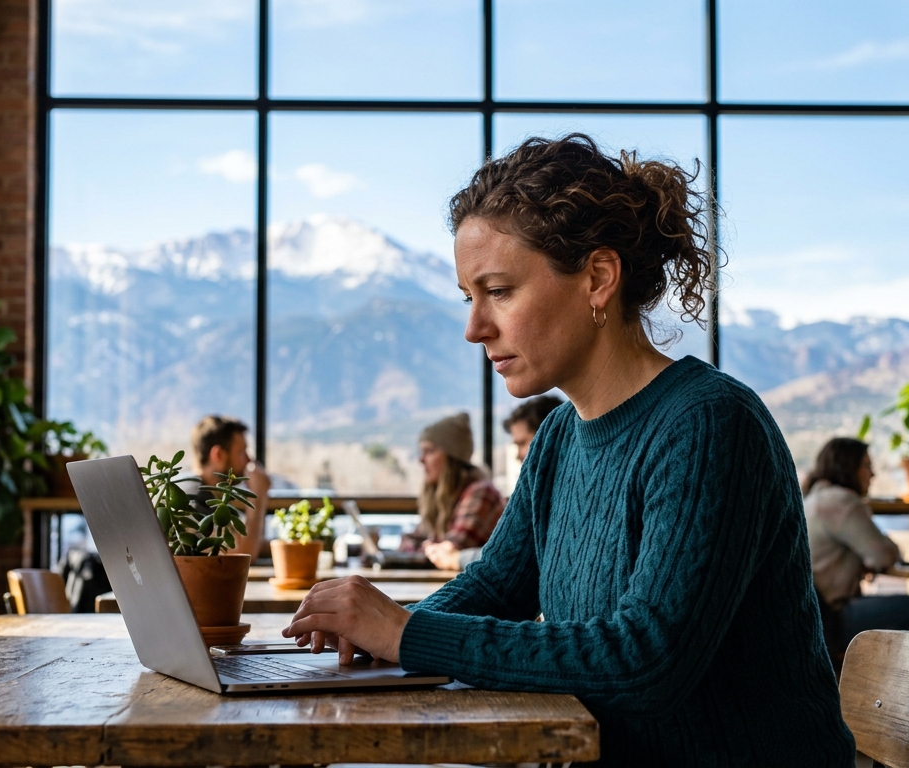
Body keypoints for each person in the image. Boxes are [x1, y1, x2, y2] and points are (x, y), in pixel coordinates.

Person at [282, 134, 855, 766]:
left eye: (498, 291)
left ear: (598, 279)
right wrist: (375, 631)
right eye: (468, 297)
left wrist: (407, 633)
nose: (474, 328)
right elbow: (495, 586)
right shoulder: (558, 438)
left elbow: (646, 660)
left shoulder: (710, 424)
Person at [803, 437, 909, 657]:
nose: (873, 474)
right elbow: (884, 555)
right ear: (849, 467)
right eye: (867, 466)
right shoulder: (841, 501)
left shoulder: (813, 498)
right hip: (828, 620)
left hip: (808, 616)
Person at [424, 397, 561, 570]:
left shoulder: (481, 493)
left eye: (522, 443)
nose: (517, 455)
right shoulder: (538, 495)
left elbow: (511, 553)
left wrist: (457, 558)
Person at [408, 413, 505, 572]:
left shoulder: (481, 493)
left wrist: (425, 548)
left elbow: (453, 548)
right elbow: (414, 540)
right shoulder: (442, 497)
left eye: (429, 451)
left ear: (452, 457)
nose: (421, 460)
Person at [181, 415, 270, 559]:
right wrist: (258, 496)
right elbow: (241, 553)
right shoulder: (193, 499)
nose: (249, 460)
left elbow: (248, 544)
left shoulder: (211, 495)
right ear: (218, 455)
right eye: (241, 452)